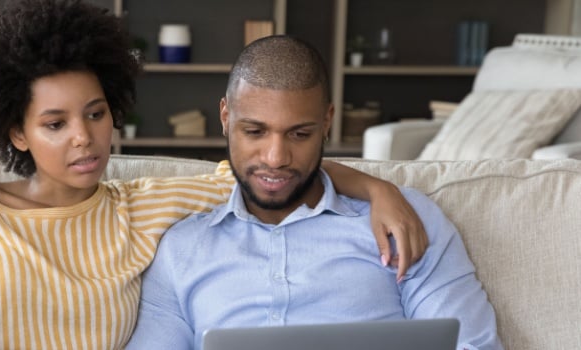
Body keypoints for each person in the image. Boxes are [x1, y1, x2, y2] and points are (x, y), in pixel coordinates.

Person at [0, 1, 428, 349]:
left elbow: (266, 168)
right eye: (55, 123)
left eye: (95, 114)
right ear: (17, 133)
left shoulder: (141, 209)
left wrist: (377, 189)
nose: (84, 137)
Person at [126, 35, 502, 350]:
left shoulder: (403, 220)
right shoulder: (181, 249)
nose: (275, 158)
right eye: (255, 132)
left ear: (326, 122)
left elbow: (472, 345)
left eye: (299, 134)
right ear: (226, 118)